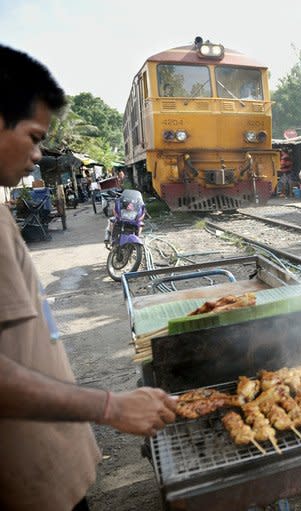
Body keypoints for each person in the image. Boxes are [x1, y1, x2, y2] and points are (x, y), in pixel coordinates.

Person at [0, 44, 177, 511]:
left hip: (40, 464)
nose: (39, 155)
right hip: (25, 479)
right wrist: (110, 407)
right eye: (34, 136)